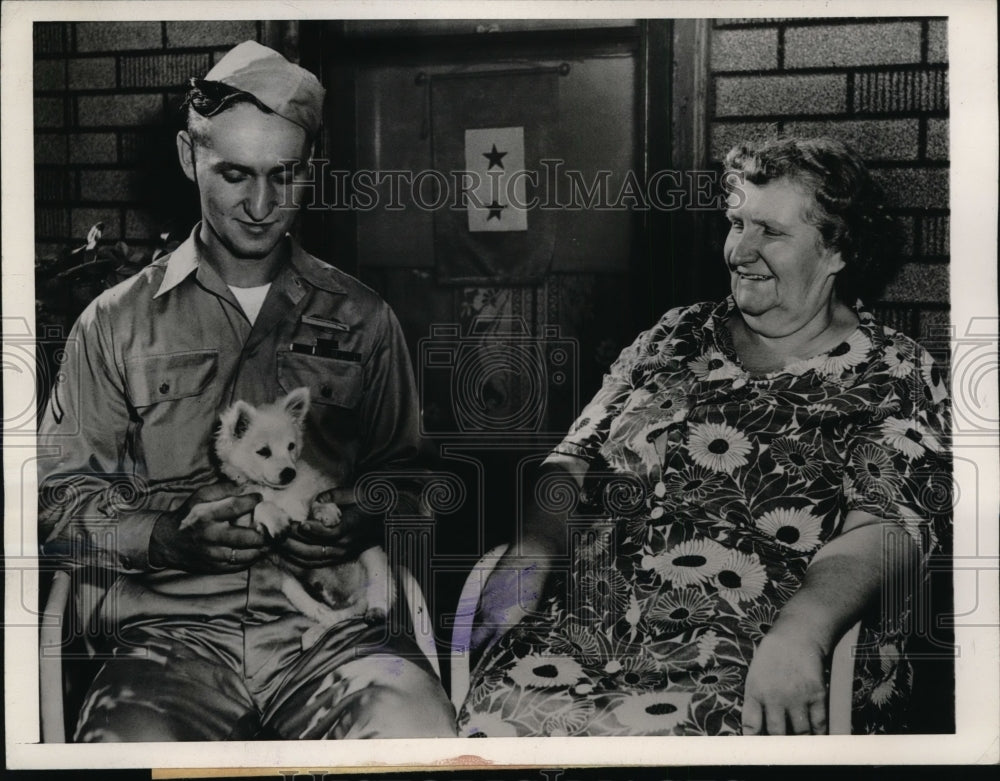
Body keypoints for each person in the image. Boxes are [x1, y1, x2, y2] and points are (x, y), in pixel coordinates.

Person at [460, 137, 951, 736]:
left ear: (838, 250)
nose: (739, 251)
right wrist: (532, 549)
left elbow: (887, 527)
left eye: (769, 231)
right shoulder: (676, 335)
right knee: (488, 724)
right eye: (736, 223)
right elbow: (572, 461)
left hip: (749, 645)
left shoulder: (893, 370)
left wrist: (804, 630)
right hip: (580, 626)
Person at [38, 40, 456, 741]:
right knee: (126, 747)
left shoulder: (363, 318)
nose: (262, 206)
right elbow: (56, 503)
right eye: (234, 174)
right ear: (186, 156)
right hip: (165, 644)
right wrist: (166, 537)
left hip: (333, 637)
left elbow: (413, 479)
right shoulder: (112, 324)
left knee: (417, 731)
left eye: (284, 176)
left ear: (311, 170)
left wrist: (369, 512)